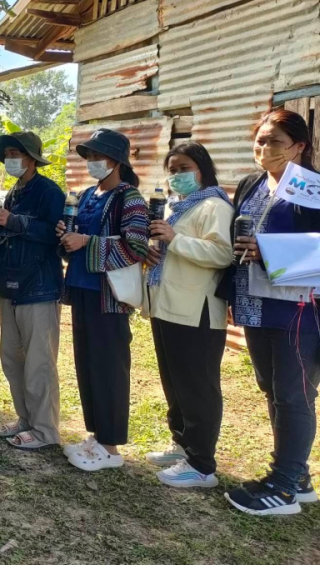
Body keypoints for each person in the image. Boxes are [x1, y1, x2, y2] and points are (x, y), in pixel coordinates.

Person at [221, 109, 320, 516]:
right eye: (260, 140)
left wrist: (270, 252)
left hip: (298, 304)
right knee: (272, 388)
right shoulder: (251, 184)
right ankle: (297, 476)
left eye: (275, 141)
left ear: (300, 146)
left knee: (294, 394)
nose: (264, 148)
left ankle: (282, 488)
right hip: (255, 299)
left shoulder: (313, 189)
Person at [57, 128, 148, 472]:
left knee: (109, 367)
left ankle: (110, 447)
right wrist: (65, 239)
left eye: (98, 157)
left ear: (116, 161)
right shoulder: (84, 195)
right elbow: (74, 240)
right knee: (87, 365)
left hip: (109, 297)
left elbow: (136, 247)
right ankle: (95, 436)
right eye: (89, 157)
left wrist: (86, 242)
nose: (92, 162)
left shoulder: (131, 199)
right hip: (82, 289)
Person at [143, 142, 233, 489]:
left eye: (183, 168)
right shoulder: (179, 208)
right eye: (173, 169)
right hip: (169, 306)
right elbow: (174, 249)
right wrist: (156, 254)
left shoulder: (214, 206)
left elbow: (222, 254)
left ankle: (201, 464)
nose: (177, 175)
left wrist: (174, 238)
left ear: (202, 168)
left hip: (196, 311)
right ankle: (182, 444)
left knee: (197, 386)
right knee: (176, 383)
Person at [0, 132, 65, 449]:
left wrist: (16, 222)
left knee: (39, 362)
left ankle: (45, 431)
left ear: (31, 158)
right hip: (11, 285)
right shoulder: (14, 192)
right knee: (12, 357)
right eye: (6, 153)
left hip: (39, 286)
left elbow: (56, 234)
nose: (10, 159)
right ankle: (26, 419)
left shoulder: (48, 191)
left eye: (15, 153)